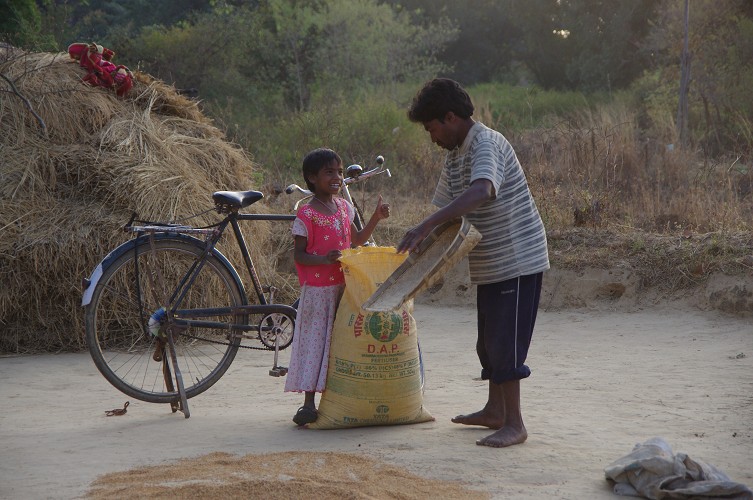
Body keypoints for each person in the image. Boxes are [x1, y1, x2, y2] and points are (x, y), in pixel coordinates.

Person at [397, 78, 549, 447]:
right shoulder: (454, 155)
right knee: (489, 343)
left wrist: (425, 226)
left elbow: (482, 190)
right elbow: (445, 210)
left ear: (450, 118)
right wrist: (419, 248)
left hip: (516, 257)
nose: (432, 137)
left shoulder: (486, 142)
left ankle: (515, 423)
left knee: (506, 344)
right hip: (491, 262)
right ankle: (495, 411)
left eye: (432, 128)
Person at [285, 147, 390, 426]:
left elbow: (356, 240)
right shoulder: (306, 214)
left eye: (340, 172)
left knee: (342, 343)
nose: (337, 177)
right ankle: (308, 404)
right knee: (315, 344)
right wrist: (323, 259)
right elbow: (299, 255)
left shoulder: (344, 207)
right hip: (319, 293)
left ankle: (343, 399)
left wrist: (376, 218)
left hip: (345, 288)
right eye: (329, 172)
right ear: (311, 177)